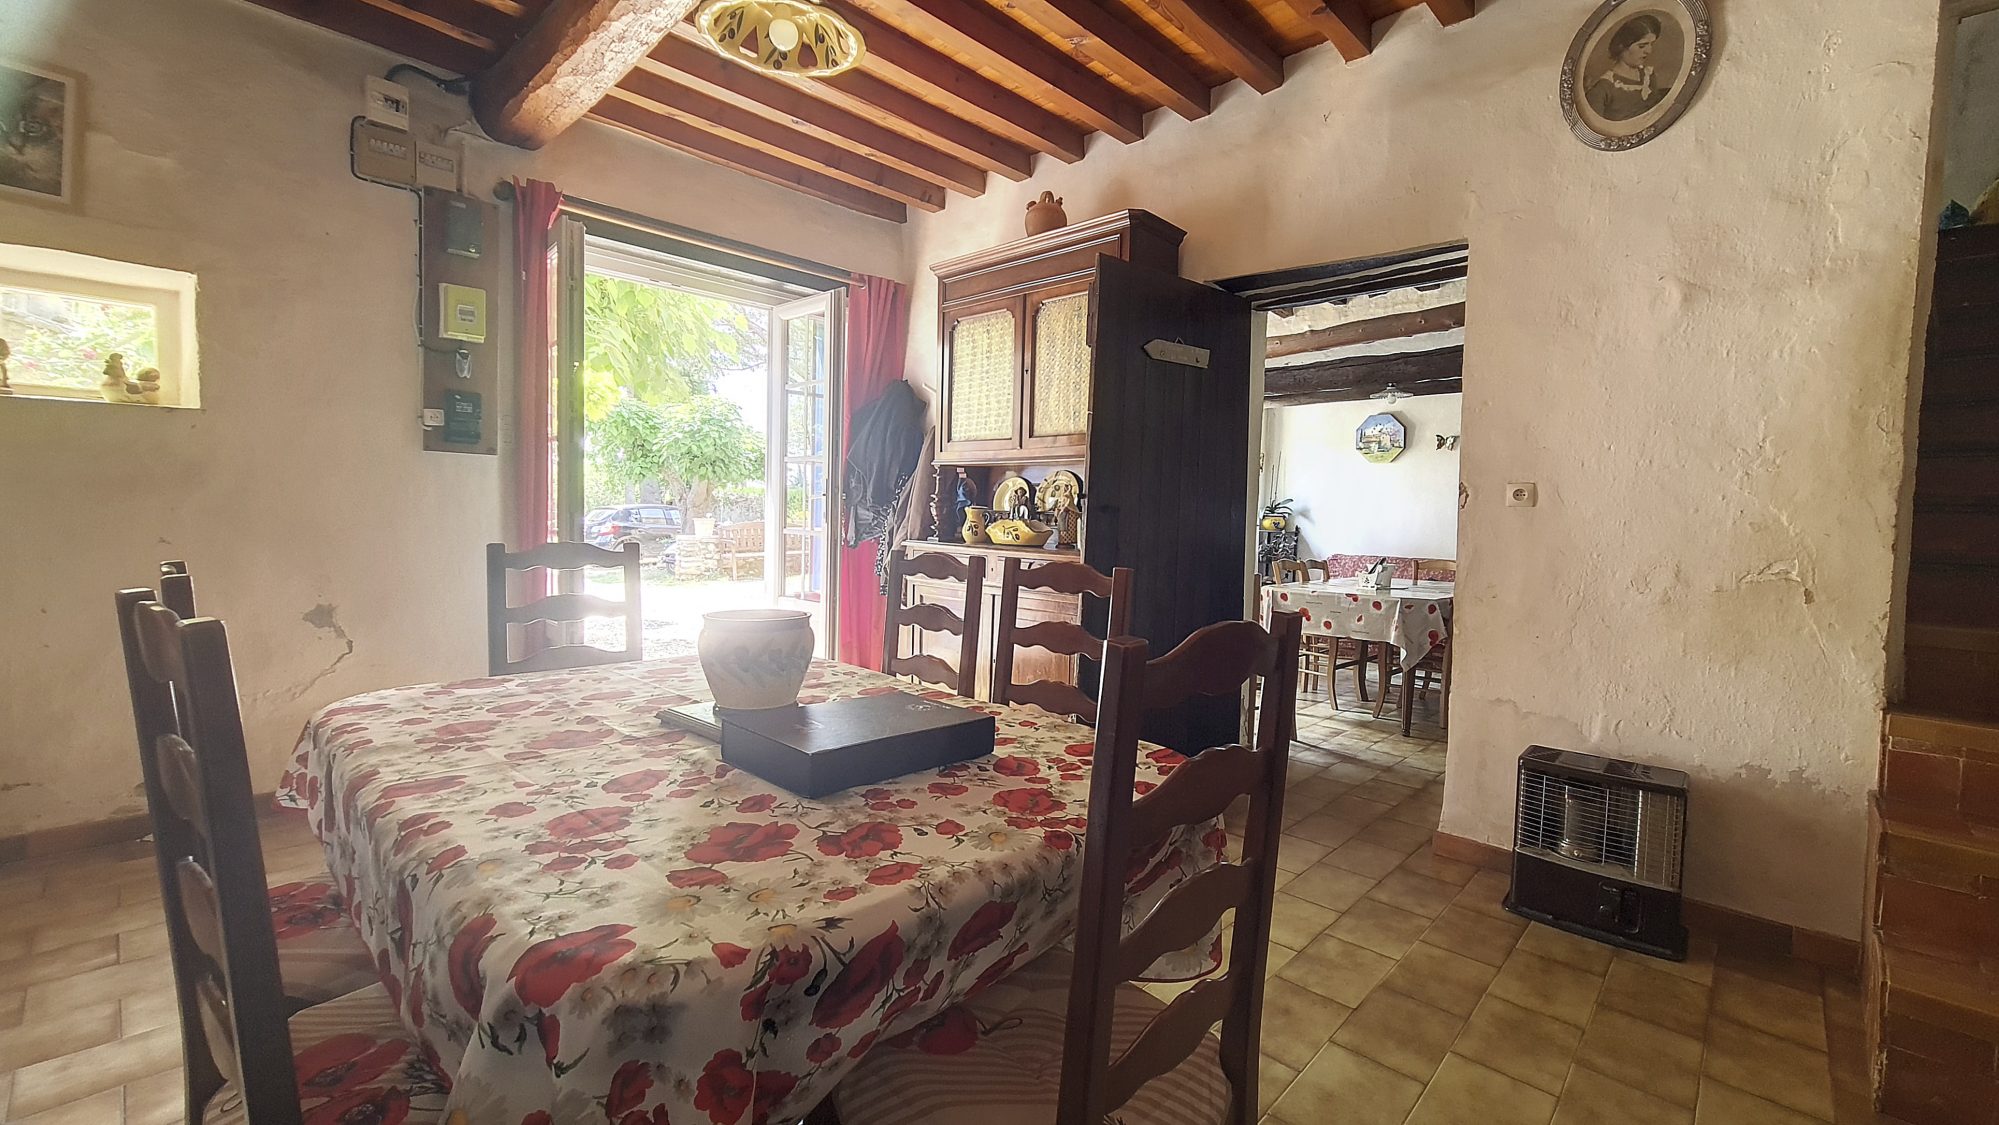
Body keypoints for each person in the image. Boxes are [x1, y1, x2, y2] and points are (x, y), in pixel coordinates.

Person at [1586, 14, 1670, 121]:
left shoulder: (1648, 75)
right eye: (1641, 46)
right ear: (1622, 47)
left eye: (1651, 44)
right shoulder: (1603, 88)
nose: (1649, 51)